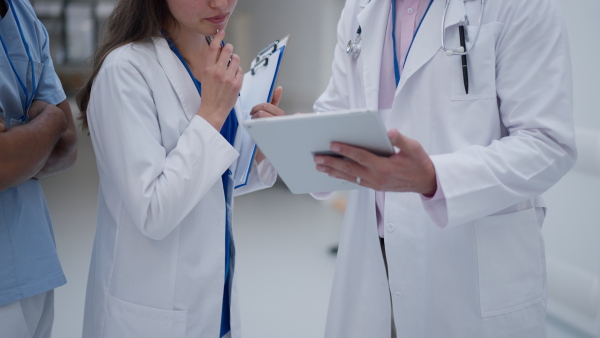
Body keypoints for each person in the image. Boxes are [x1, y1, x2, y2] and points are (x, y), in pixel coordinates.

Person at [310, 0, 577, 337]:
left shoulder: (520, 6)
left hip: (469, 267)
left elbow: (549, 143)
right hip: (374, 261)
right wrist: (294, 137)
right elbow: (336, 112)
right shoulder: (361, 8)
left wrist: (437, 179)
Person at [76, 0, 283, 337]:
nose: (221, 3)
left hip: (213, 302)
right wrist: (212, 114)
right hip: (151, 313)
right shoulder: (125, 70)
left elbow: (212, 183)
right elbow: (154, 210)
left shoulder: (211, 56)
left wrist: (261, 150)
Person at [0, 0, 78, 336]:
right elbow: (4, 163)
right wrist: (49, 120)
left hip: (36, 272)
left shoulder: (22, 13)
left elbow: (69, 143)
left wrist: (25, 144)